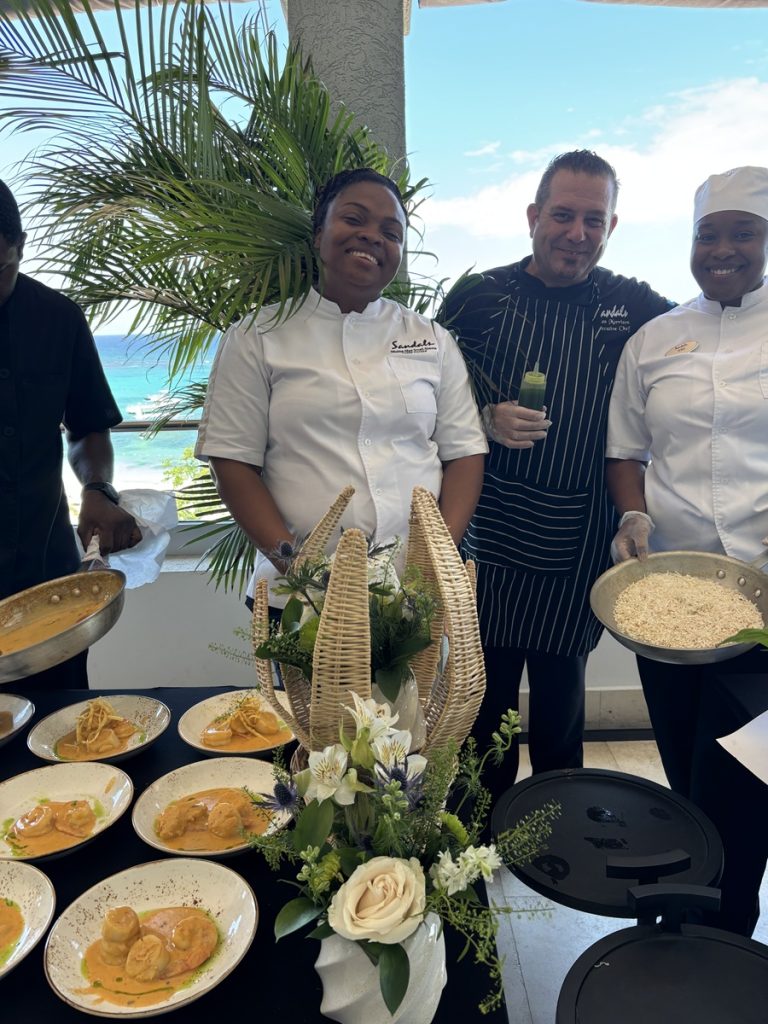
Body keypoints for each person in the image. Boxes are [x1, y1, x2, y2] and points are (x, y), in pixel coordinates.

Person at [439, 150, 672, 795]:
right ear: (534, 215)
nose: (577, 233)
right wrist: (484, 417)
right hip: (490, 532)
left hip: (579, 539)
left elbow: (702, 350)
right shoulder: (479, 298)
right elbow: (420, 396)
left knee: (563, 698)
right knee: (481, 700)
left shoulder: (634, 304)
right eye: (563, 215)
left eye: (593, 220)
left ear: (612, 227)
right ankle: (478, 834)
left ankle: (554, 829)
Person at [195, 167, 487, 607]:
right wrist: (299, 570)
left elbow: (464, 452)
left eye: (391, 232)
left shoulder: (431, 338)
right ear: (319, 233)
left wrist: (434, 563)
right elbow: (232, 462)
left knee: (428, 680)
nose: (372, 236)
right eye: (354, 219)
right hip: (299, 597)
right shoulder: (258, 336)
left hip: (413, 591)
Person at [606, 165, 768, 936]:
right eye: (710, 233)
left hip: (763, 605)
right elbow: (626, 450)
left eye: (743, 232)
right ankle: (686, 907)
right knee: (681, 763)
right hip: (669, 601)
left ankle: (730, 925)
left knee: (746, 777)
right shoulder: (655, 339)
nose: (724, 248)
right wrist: (633, 515)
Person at [0, 180, 139, 689]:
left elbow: (87, 426)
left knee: (59, 738)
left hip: (47, 582)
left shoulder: (59, 318)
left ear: (20, 246)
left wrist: (97, 490)